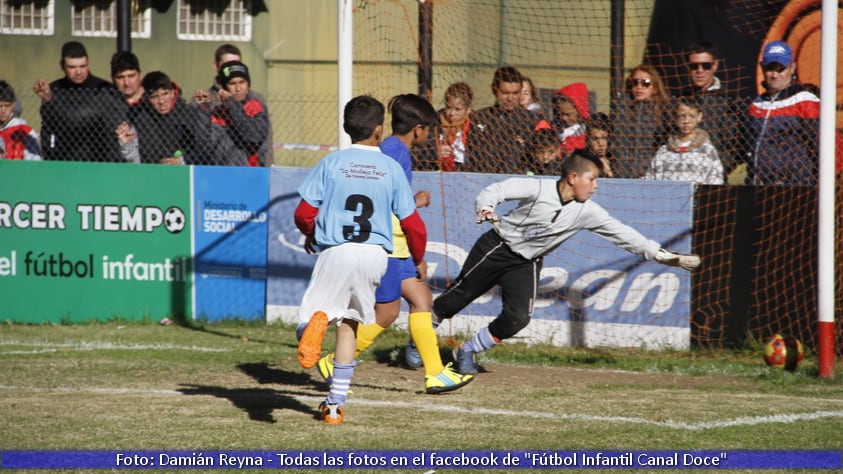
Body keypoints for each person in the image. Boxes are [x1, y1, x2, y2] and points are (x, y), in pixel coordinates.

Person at [425, 149, 701, 375]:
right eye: (592, 179)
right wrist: (486, 207)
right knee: (456, 298)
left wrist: (660, 255)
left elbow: (623, 234)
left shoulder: (587, 211)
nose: (595, 186)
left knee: (517, 319)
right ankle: (419, 342)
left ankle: (467, 350)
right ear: (572, 178)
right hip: (498, 246)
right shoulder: (539, 188)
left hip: (527, 263)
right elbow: (499, 189)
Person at [314, 94, 473, 394]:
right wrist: (417, 203)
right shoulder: (393, 153)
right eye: (431, 129)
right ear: (418, 129)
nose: (431, 135)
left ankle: (435, 373)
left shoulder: (392, 149)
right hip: (390, 245)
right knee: (387, 313)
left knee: (421, 300)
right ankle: (335, 362)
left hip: (395, 244)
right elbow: (381, 199)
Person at [293, 95, 427, 424]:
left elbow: (303, 212)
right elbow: (413, 224)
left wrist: (311, 233)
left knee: (313, 316)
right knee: (350, 324)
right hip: (374, 256)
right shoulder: (391, 167)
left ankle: (312, 327)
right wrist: (417, 256)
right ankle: (335, 405)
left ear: (345, 127)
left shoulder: (332, 163)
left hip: (337, 249)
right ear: (379, 130)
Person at [117, 71, 247, 166]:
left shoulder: (188, 114)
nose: (161, 101)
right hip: (152, 175)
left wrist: (181, 161)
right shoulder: (139, 119)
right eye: (155, 97)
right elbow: (134, 160)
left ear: (173, 93)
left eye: (165, 94)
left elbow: (205, 149)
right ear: (147, 98)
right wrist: (127, 145)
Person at [33, 41, 127, 162]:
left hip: (99, 160)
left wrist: (51, 100)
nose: (78, 72)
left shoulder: (102, 89)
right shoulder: (54, 90)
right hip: (64, 159)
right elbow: (49, 124)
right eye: (72, 67)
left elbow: (79, 122)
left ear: (88, 63)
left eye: (83, 66)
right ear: (62, 66)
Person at [744, 40, 819, 185]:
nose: (775, 75)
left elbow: (820, 147)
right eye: (770, 68)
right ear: (762, 67)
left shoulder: (805, 100)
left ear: (792, 68)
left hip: (796, 188)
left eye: (781, 69)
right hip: (759, 186)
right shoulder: (756, 104)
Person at [679, 41, 738, 179]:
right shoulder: (679, 99)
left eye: (706, 66)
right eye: (694, 66)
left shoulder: (728, 100)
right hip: (681, 175)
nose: (700, 71)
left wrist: (715, 169)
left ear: (715, 65)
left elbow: (733, 146)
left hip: (712, 177)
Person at [466, 66, 540, 174]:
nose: (510, 99)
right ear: (494, 89)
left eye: (515, 93)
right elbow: (474, 156)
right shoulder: (479, 118)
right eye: (505, 93)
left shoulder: (533, 121)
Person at [200, 60, 272, 167]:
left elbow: (253, 136)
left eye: (242, 82)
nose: (238, 89)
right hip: (219, 171)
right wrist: (203, 109)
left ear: (248, 84)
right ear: (224, 88)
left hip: (250, 173)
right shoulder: (218, 112)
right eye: (232, 84)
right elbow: (205, 145)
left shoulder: (255, 106)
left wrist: (232, 105)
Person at [645, 97, 724, 184]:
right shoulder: (664, 151)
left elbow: (716, 179)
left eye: (691, 116)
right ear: (675, 117)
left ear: (699, 117)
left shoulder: (707, 151)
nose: (686, 121)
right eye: (682, 116)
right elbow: (651, 178)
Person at [611, 65, 671, 179]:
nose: (639, 87)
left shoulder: (664, 113)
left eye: (645, 83)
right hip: (623, 171)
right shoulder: (622, 112)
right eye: (635, 82)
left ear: (654, 87)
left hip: (653, 173)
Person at [0, 80, 41, 161]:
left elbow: (35, 158)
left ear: (13, 105)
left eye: (7, 106)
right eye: (0, 106)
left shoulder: (22, 128)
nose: (3, 110)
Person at [551, 82, 590, 156]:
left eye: (568, 114)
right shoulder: (554, 128)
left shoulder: (586, 134)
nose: (564, 118)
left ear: (579, 112)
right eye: (560, 114)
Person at [584, 112, 614, 177]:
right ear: (588, 140)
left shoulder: (615, 160)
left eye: (604, 138)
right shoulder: (582, 161)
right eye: (595, 139)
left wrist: (609, 173)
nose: (600, 144)